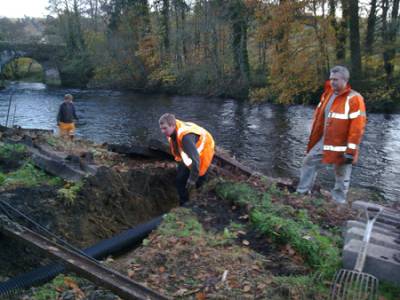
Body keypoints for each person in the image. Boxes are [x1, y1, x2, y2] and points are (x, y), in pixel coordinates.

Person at [296, 65, 367, 203]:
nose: (332, 82)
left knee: (342, 176)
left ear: (344, 80)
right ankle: (302, 193)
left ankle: (338, 203)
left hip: (343, 147)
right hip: (324, 141)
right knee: (308, 162)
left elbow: (357, 127)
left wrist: (351, 151)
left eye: (335, 79)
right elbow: (319, 119)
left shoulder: (354, 98)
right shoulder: (328, 94)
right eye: (331, 79)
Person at [159, 113, 215, 205]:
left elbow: (196, 160)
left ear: (172, 125)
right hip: (192, 149)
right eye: (161, 128)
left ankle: (200, 202)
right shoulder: (173, 130)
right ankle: (184, 204)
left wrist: (192, 179)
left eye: (165, 128)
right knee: (180, 180)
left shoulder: (185, 138)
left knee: (199, 180)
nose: (162, 131)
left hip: (204, 149)